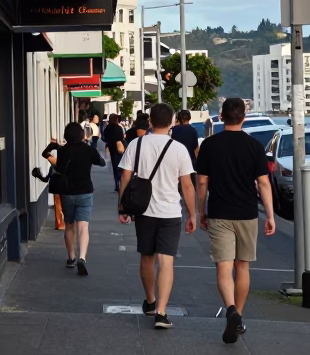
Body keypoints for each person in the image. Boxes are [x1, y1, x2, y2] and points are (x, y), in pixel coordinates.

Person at [196, 96, 275, 344]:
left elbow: (202, 182)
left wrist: (201, 211)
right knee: (243, 266)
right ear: (243, 117)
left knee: (223, 266)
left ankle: (230, 309)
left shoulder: (209, 145)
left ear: (221, 117)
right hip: (248, 213)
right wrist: (270, 215)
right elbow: (263, 183)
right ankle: (238, 314)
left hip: (219, 211)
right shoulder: (254, 146)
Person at [118, 101, 196, 329]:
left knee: (147, 257)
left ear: (150, 121)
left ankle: (150, 301)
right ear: (172, 122)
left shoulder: (136, 144)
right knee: (166, 260)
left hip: (144, 210)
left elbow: (124, 177)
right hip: (170, 212)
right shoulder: (179, 149)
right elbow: (187, 186)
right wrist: (193, 213)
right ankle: (162, 312)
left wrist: (122, 206)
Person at [42, 122, 105, 275]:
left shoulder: (63, 151)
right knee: (83, 227)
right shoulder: (88, 150)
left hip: (67, 192)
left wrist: (53, 146)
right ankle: (82, 258)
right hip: (85, 191)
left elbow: (56, 164)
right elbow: (102, 163)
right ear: (82, 134)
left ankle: (71, 257)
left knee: (69, 226)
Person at [103, 112, 127, 192]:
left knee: (114, 166)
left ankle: (117, 184)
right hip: (119, 149)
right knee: (121, 166)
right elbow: (121, 138)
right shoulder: (118, 128)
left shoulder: (107, 128)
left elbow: (104, 138)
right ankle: (121, 183)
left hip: (111, 148)